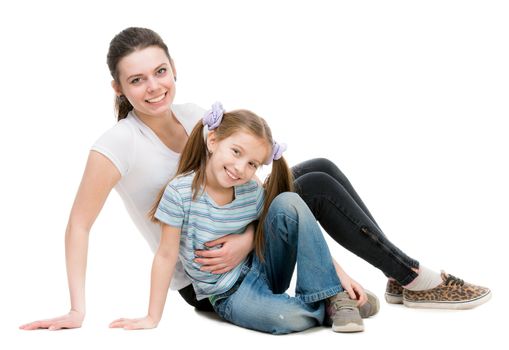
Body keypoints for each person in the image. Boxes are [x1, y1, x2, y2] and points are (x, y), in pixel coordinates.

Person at [20, 26, 490, 331]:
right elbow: (78, 225)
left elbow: (250, 177)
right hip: (207, 275)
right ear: (118, 88)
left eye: (160, 71)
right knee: (316, 184)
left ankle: (398, 277)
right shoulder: (117, 144)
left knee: (317, 170)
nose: (153, 86)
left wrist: (265, 244)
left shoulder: (194, 116)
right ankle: (410, 277)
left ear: (174, 70)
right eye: (137, 80)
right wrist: (76, 309)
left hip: (246, 239)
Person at [109, 103, 379, 334]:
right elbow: (166, 256)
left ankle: (334, 293)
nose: (241, 168)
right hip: (229, 294)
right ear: (213, 141)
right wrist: (151, 317)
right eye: (236, 152)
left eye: (252, 164)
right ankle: (330, 306)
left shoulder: (250, 191)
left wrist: (340, 276)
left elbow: (297, 230)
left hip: (266, 268)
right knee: (285, 319)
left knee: (290, 202)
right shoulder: (180, 193)